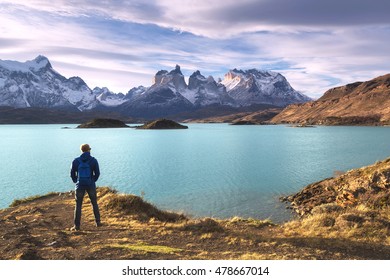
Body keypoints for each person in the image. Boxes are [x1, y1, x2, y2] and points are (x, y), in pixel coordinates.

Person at [70, 144, 102, 231]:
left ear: (81, 150)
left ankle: (77, 226)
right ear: (89, 150)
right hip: (90, 184)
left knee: (78, 205)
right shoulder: (93, 160)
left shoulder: (76, 161)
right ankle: (98, 222)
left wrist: (76, 181)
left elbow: (72, 174)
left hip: (80, 185)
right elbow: (97, 173)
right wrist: (92, 181)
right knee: (94, 203)